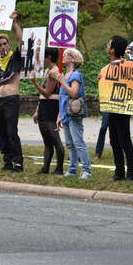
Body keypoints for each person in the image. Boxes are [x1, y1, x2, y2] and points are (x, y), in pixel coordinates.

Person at [51, 48, 91, 179]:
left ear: (74, 59)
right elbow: (63, 97)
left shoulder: (75, 75)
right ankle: (73, 170)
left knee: (78, 142)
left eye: (68, 55)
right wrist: (59, 115)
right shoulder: (65, 75)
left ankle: (87, 170)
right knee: (69, 143)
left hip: (74, 114)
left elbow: (73, 93)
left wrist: (62, 81)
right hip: (66, 114)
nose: (64, 56)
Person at [0, 12, 24, 172]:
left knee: (12, 131)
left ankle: (18, 162)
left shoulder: (15, 58)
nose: (3, 46)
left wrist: (15, 23)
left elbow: (21, 40)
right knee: (1, 132)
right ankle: (7, 161)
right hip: (0, 100)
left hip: (12, 100)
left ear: (8, 44)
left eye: (5, 43)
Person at [103, 36, 133, 181]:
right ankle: (119, 172)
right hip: (111, 106)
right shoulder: (108, 68)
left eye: (109, 44)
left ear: (112, 49)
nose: (107, 45)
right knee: (114, 140)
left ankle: (132, 173)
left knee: (124, 140)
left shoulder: (124, 65)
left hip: (123, 107)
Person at [30, 47, 64, 174]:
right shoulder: (48, 71)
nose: (41, 59)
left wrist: (34, 82)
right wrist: (37, 110)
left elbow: (47, 93)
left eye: (43, 56)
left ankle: (59, 168)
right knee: (47, 140)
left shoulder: (53, 72)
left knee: (55, 139)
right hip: (44, 106)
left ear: (49, 57)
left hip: (51, 107)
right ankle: (45, 168)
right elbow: (43, 96)